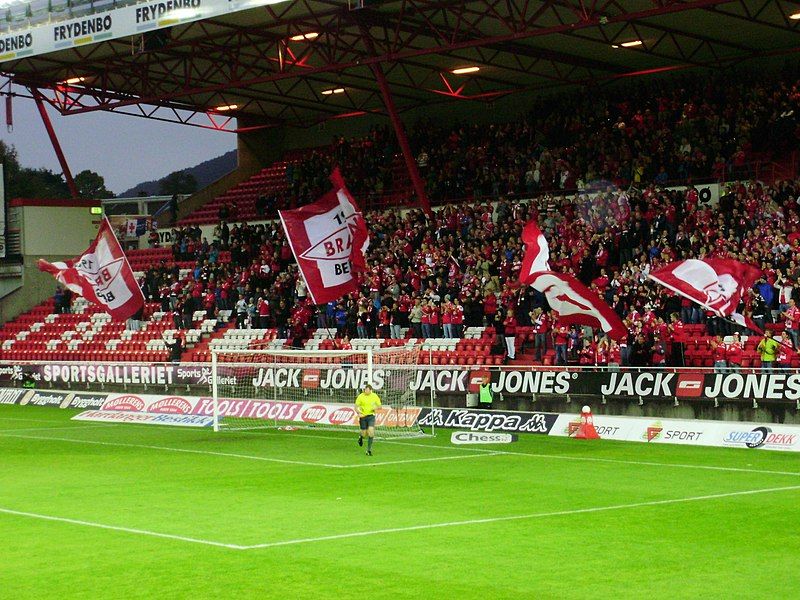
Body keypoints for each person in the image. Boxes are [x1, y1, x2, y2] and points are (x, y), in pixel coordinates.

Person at [355, 384, 381, 456]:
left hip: (371, 416)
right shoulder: (361, 396)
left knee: (371, 432)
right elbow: (356, 406)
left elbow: (379, 406)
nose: (365, 391)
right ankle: (361, 437)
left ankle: (368, 450)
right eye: (365, 390)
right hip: (363, 416)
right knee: (364, 432)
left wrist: (376, 408)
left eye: (367, 390)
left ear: (370, 390)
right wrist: (358, 413)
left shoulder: (374, 396)